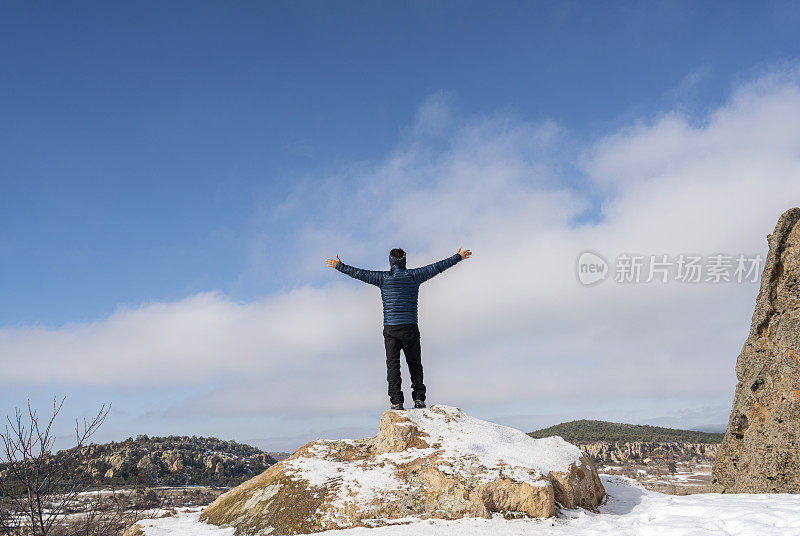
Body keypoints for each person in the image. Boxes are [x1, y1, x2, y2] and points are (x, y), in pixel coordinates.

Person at [325, 247, 472, 410]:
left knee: (393, 365)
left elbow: (359, 273)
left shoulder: (382, 278)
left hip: (391, 329)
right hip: (410, 327)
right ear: (405, 261)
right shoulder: (414, 276)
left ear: (390, 262)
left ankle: (396, 402)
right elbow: (437, 267)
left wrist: (339, 266)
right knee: (415, 364)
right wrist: (457, 257)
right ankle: (419, 399)